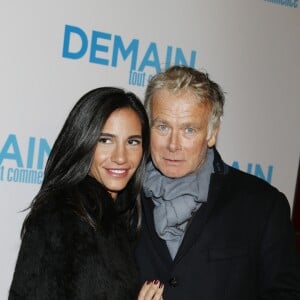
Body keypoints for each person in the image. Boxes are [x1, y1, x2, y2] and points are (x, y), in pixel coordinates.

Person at [135, 65, 300, 299]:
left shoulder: (263, 205)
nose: (173, 144)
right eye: (163, 127)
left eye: (189, 130)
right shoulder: (123, 200)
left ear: (212, 134)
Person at [9, 87, 164, 300]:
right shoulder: (63, 216)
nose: (121, 157)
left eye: (132, 142)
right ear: (83, 141)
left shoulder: (123, 219)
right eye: (105, 140)